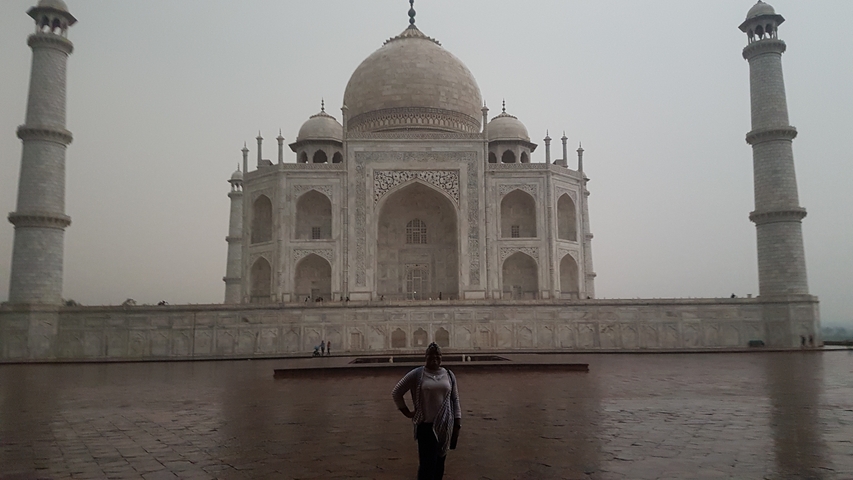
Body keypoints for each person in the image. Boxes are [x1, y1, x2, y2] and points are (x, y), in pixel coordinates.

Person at [392, 343, 461, 480]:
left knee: (439, 465)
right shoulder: (418, 374)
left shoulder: (448, 374)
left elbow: (455, 399)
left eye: (437, 355)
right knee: (427, 465)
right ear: (426, 357)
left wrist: (457, 423)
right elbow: (396, 392)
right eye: (431, 355)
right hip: (425, 426)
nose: (434, 358)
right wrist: (407, 412)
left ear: (441, 357)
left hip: (445, 426)